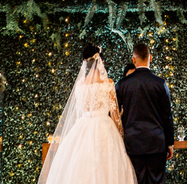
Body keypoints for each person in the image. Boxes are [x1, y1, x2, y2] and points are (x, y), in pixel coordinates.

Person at [39, 43, 135, 184]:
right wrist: (120, 135)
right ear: (101, 62)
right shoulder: (108, 83)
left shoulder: (80, 86)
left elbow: (78, 112)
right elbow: (115, 114)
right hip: (105, 128)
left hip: (82, 128)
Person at [116, 40, 174, 184]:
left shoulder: (122, 84)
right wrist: (170, 143)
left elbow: (116, 114)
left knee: (136, 181)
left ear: (134, 59)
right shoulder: (160, 83)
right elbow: (167, 115)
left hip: (133, 143)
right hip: (156, 142)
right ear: (150, 58)